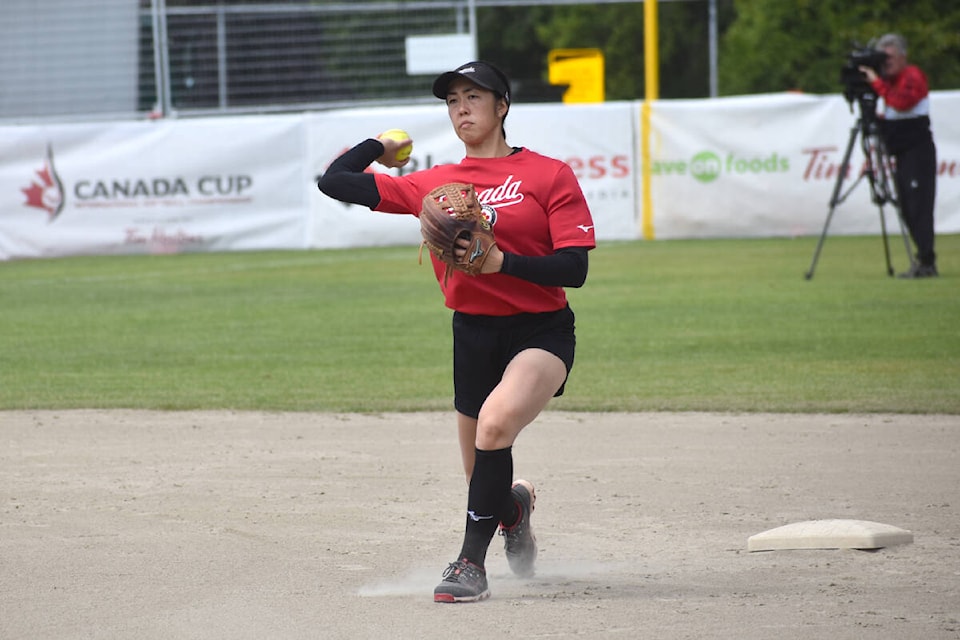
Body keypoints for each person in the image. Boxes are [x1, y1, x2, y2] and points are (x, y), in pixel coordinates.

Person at [317, 61, 596, 602]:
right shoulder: (434, 183)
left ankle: (470, 565)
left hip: (540, 329)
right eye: (452, 101)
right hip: (471, 335)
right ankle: (513, 508)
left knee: (494, 427)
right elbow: (334, 182)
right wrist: (379, 144)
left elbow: (575, 268)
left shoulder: (548, 174)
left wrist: (504, 264)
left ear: (502, 106)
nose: (461, 108)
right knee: (481, 477)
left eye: (474, 96)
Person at [860, 33, 938, 278]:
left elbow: (901, 103)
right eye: (882, 58)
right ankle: (922, 259)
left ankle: (927, 261)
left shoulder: (911, 76)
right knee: (906, 206)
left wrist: (876, 83)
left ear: (903, 56)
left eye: (890, 57)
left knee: (918, 206)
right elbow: (892, 113)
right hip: (902, 154)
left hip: (918, 152)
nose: (886, 63)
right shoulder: (889, 81)